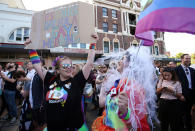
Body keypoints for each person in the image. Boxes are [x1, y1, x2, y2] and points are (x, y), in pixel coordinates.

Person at [24, 34, 97, 131]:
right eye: (65, 65)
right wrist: (31, 48)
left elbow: (89, 64)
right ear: (57, 70)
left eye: (70, 65)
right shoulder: (50, 79)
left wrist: (93, 43)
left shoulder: (77, 81)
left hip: (72, 128)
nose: (69, 68)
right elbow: (37, 65)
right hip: (53, 128)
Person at [92, 51, 151, 131]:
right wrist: (103, 86)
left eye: (123, 59)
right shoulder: (117, 83)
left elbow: (138, 125)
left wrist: (125, 112)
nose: (119, 61)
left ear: (131, 64)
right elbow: (102, 104)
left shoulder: (134, 89)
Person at [175, 54, 195, 131]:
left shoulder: (192, 70)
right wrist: (179, 95)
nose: (188, 60)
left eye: (189, 59)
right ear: (182, 59)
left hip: (191, 94)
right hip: (181, 95)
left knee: (188, 113)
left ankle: (189, 128)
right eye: (186, 58)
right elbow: (175, 83)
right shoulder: (176, 69)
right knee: (180, 114)